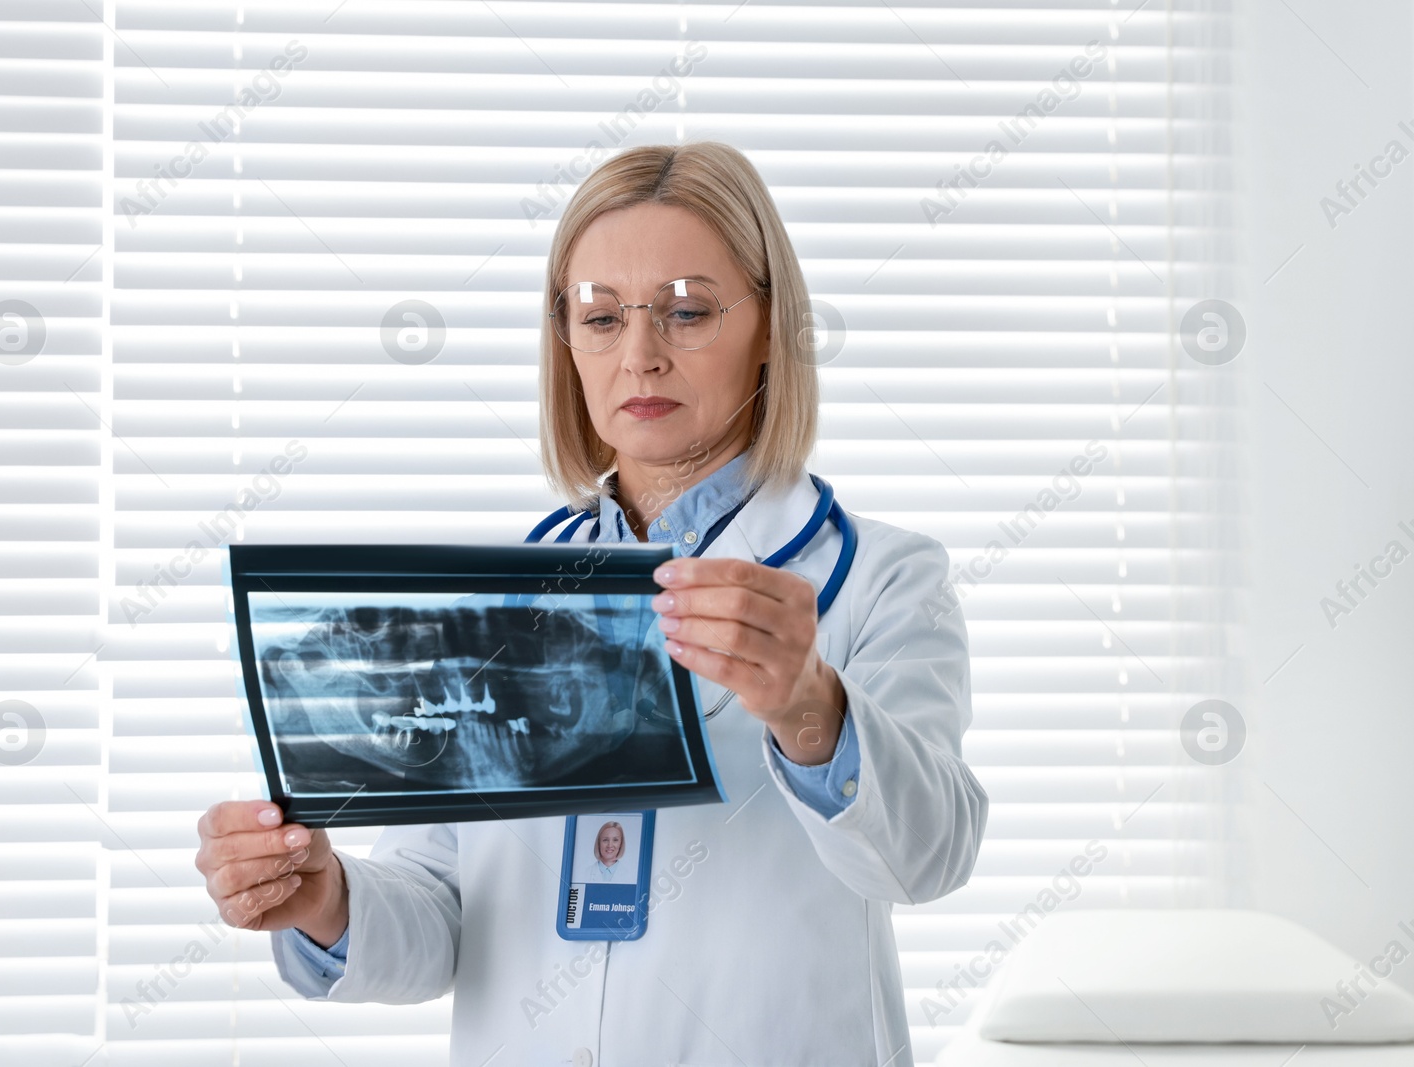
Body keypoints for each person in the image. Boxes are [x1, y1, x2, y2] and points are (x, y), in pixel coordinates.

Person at [195, 141, 988, 1067]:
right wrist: (325, 899)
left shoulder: (884, 578)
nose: (641, 356)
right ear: (565, 340)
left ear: (772, 326)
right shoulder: (501, 603)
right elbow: (440, 906)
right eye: (602, 317)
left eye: (688, 311)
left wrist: (812, 706)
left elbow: (926, 857)